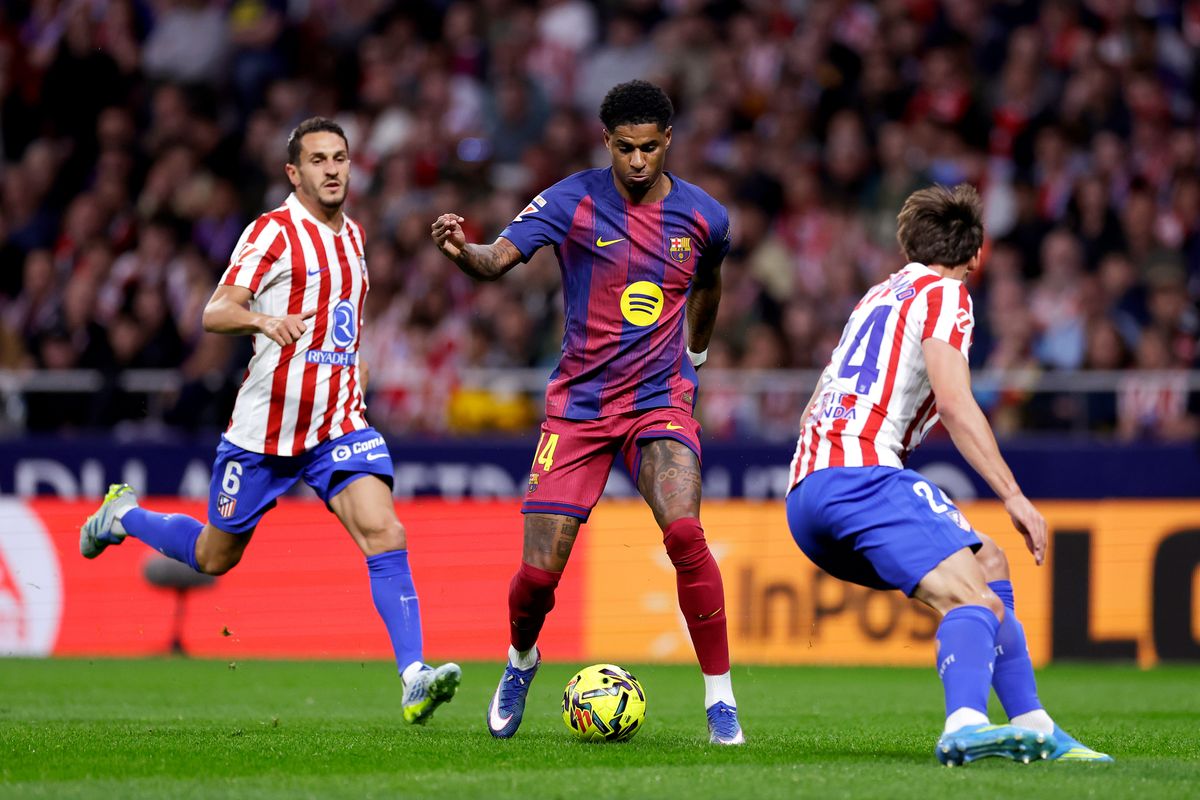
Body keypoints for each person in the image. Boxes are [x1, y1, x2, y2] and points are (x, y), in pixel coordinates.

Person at [79, 117, 461, 725]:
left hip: (337, 424)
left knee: (385, 533)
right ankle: (122, 515)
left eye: (340, 158)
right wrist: (263, 321)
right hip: (264, 431)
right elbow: (215, 311)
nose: (332, 169)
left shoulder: (355, 236)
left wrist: (351, 370)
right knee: (214, 556)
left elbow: (341, 324)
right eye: (318, 160)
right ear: (294, 172)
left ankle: (414, 676)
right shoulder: (272, 233)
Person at [431, 80, 743, 745]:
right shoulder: (569, 200)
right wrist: (463, 251)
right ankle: (521, 659)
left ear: (668, 141)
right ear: (606, 141)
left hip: (659, 400)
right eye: (625, 148)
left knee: (686, 534)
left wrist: (698, 354)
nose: (638, 161)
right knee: (537, 579)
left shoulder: (706, 217)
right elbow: (496, 260)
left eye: (649, 147)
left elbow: (709, 282)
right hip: (579, 409)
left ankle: (721, 701)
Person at [785, 184, 1112, 765]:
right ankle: (964, 725)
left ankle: (1035, 725)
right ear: (977, 254)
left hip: (807, 490)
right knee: (974, 602)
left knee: (988, 562)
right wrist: (1014, 495)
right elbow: (957, 403)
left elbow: (816, 401)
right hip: (861, 476)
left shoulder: (876, 296)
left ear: (907, 245)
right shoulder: (947, 293)